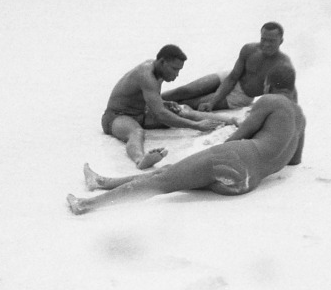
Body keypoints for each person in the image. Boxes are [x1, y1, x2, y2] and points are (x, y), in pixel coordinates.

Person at [69, 64, 304, 215]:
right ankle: (102, 182)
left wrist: (219, 146)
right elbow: (294, 160)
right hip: (245, 182)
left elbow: (241, 134)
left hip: (236, 157)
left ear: (268, 84)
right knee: (172, 172)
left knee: (162, 181)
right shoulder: (301, 118)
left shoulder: (270, 101)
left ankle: (87, 205)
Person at [102, 44, 236, 169]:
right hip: (116, 117)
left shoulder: (158, 72)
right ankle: (140, 160)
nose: (176, 74)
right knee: (136, 132)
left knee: (182, 110)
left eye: (179, 70)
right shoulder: (146, 75)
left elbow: (149, 98)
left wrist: (163, 102)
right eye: (174, 69)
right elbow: (161, 115)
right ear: (162, 62)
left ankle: (231, 120)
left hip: (141, 113)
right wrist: (196, 126)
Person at [162, 21, 297, 113]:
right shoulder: (249, 49)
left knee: (190, 103)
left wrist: (211, 103)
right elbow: (233, 77)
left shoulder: (283, 65)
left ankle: (157, 110)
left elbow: (289, 95)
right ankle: (151, 99)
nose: (266, 44)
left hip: (242, 96)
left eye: (271, 41)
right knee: (185, 90)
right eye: (263, 39)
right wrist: (214, 101)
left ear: (281, 41)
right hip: (230, 77)